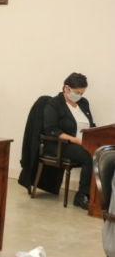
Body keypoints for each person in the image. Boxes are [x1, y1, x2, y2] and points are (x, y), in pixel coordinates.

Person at [44, 73, 96, 209]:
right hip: (60, 144)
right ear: (67, 88)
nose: (79, 96)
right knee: (88, 156)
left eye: (82, 93)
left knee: (104, 153)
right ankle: (82, 195)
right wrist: (77, 141)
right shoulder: (54, 103)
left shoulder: (83, 103)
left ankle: (99, 195)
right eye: (77, 93)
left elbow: (91, 125)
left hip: (82, 143)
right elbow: (51, 130)